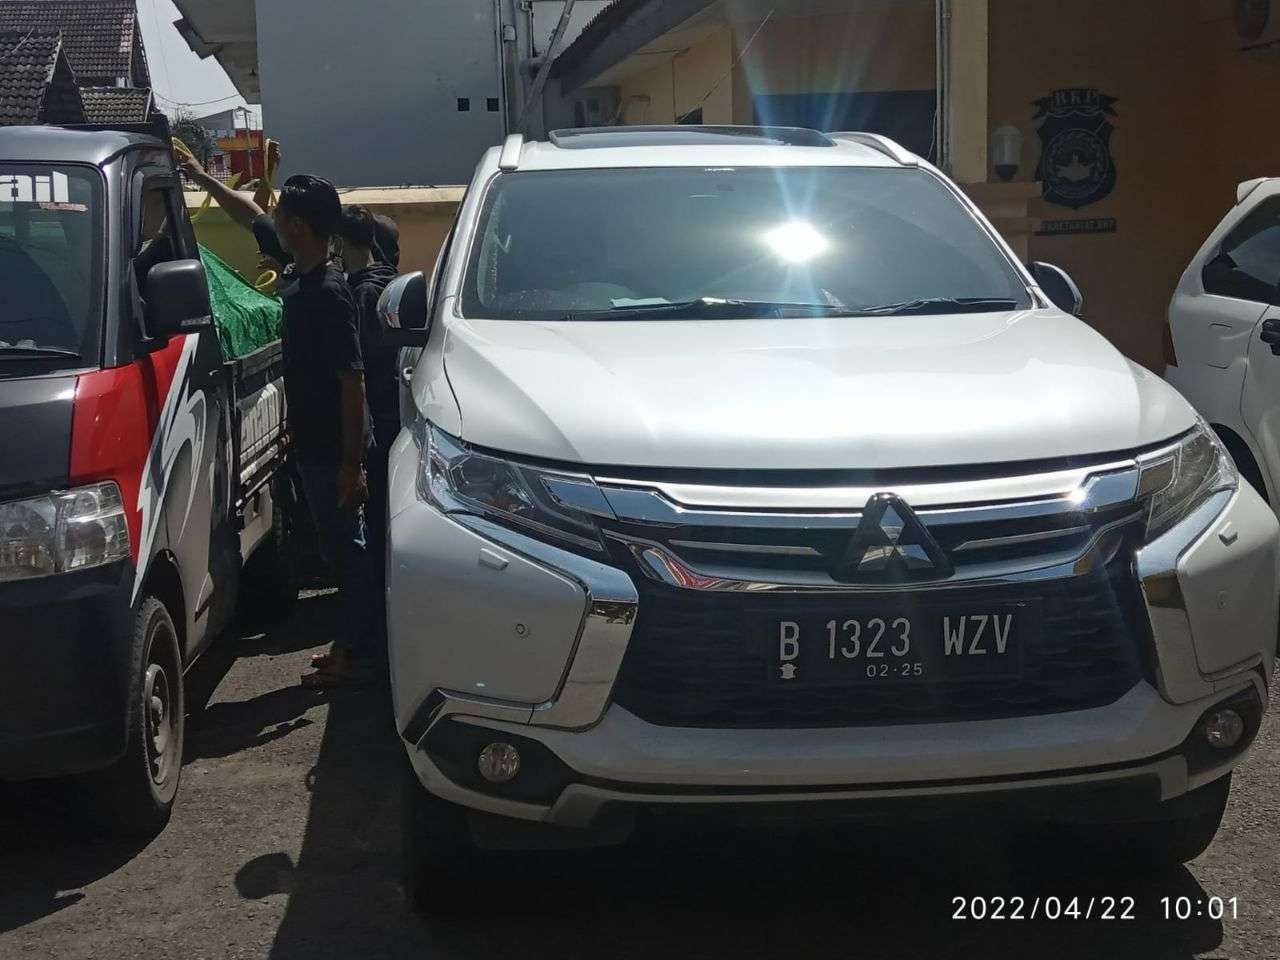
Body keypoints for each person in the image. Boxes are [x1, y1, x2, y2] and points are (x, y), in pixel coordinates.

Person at [178, 153, 377, 687]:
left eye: (283, 215)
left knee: (347, 551)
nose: (276, 221)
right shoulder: (299, 271)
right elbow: (250, 216)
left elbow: (351, 381)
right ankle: (353, 643)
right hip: (314, 440)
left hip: (335, 448)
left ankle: (357, 652)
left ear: (300, 225)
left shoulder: (329, 294)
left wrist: (352, 465)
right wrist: (200, 179)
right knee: (340, 549)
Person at [333, 205, 399, 583]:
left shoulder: (361, 293)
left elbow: (359, 369)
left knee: (373, 523)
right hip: (393, 414)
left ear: (340, 242)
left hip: (375, 419)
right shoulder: (389, 282)